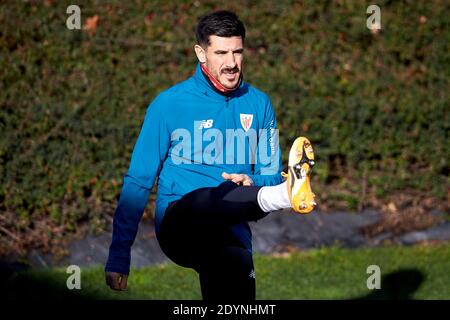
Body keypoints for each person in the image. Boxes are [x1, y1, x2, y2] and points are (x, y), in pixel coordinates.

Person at [104, 10, 316, 300]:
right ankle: (285, 195)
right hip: (181, 221)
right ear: (200, 53)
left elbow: (268, 172)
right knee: (209, 197)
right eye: (221, 53)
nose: (231, 63)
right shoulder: (168, 105)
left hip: (231, 228)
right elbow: (139, 181)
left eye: (238, 52)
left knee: (236, 295)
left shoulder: (259, 104)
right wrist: (119, 254)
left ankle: (281, 193)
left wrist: (251, 180)